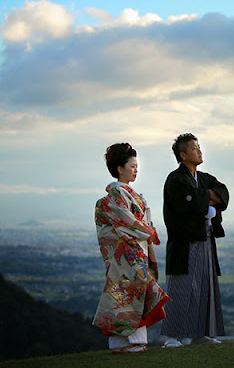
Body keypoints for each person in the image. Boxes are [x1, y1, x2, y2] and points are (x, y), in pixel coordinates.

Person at [93, 143, 169, 354]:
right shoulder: (116, 194)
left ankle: (123, 343)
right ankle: (130, 342)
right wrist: (149, 232)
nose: (136, 170)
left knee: (127, 294)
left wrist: (146, 232)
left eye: (137, 166)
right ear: (120, 168)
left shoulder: (128, 194)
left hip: (134, 250)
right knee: (129, 293)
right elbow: (127, 221)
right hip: (126, 253)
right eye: (132, 166)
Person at [160, 133, 229, 347]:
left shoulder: (204, 177)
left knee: (205, 286)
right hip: (185, 241)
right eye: (193, 148)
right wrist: (206, 202)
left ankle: (200, 334)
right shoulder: (176, 179)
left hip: (206, 239)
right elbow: (186, 206)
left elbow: (223, 194)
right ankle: (172, 335)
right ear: (182, 155)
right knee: (181, 287)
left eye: (199, 147)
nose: (199, 150)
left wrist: (203, 199)